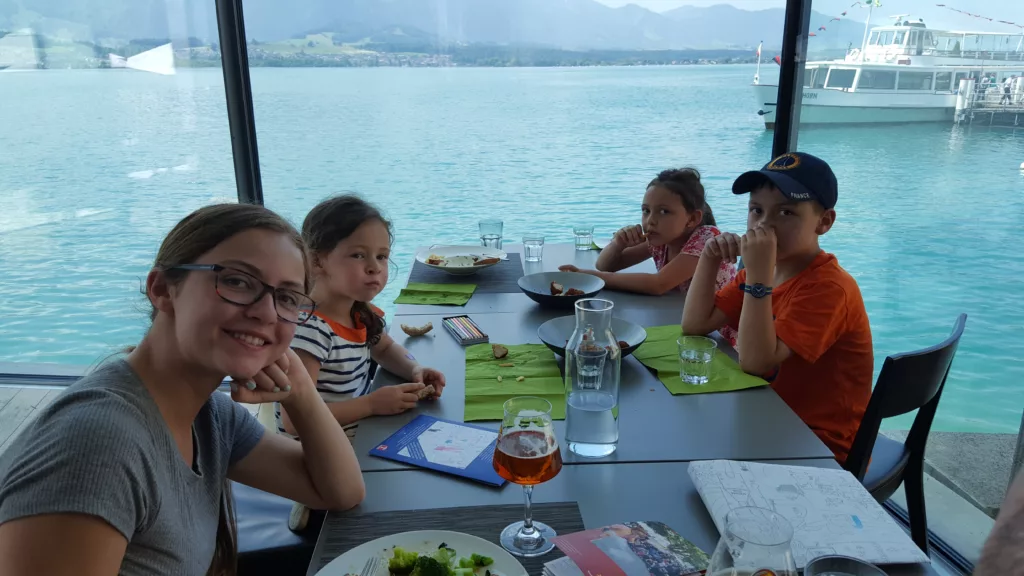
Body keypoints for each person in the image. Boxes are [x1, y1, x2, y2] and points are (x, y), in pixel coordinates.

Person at [0, 204, 366, 575]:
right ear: (162, 290)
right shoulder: (96, 443)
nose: (267, 313)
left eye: (287, 297)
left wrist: (299, 389)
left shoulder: (209, 418)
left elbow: (340, 491)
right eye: (238, 281)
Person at [681, 152, 872, 465]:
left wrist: (757, 276)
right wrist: (709, 257)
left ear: (824, 222)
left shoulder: (828, 287)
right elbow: (695, 324)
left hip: (816, 445)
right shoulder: (767, 270)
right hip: (767, 418)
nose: (765, 224)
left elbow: (756, 363)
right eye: (756, 210)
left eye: (786, 212)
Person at [276, 194, 446, 439]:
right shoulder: (309, 330)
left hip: (360, 433)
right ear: (315, 260)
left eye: (381, 256)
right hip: (316, 454)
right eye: (358, 255)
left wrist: (414, 368)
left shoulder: (360, 312)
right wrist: (371, 404)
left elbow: (385, 349)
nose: (374, 267)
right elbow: (294, 420)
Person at [560, 168, 736, 295]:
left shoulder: (707, 239)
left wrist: (590, 277)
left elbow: (658, 284)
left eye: (664, 211)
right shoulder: (661, 241)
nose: (650, 220)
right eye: (646, 210)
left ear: (692, 219)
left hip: (720, 331)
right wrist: (618, 244)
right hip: (681, 317)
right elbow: (605, 266)